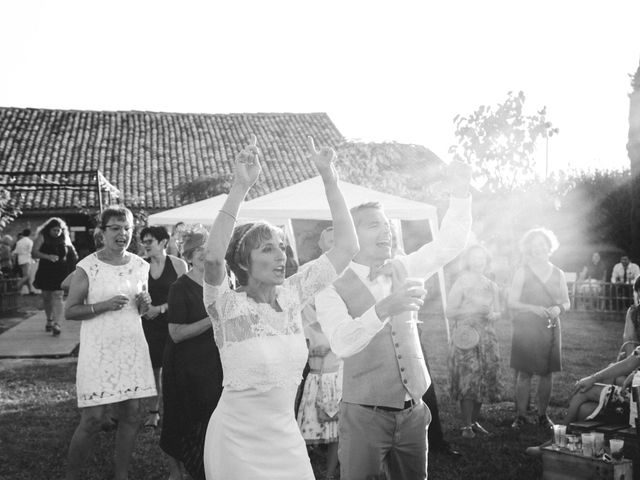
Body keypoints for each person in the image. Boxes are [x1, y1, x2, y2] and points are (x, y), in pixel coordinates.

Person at [202, 135, 358, 480]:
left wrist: (328, 178)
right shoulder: (225, 306)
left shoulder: (292, 296)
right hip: (235, 442)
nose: (280, 256)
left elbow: (347, 246)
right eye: (268, 249)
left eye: (281, 247)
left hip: (286, 439)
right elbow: (213, 257)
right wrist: (240, 186)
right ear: (244, 262)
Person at [315, 160, 472, 480]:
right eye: (374, 224)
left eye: (386, 224)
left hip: (414, 413)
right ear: (351, 234)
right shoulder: (329, 285)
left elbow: (449, 243)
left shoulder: (406, 266)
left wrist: (460, 192)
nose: (385, 230)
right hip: (363, 416)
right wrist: (384, 308)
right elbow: (343, 342)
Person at [63, 206, 156, 480]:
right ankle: (71, 476)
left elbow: (141, 311)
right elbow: (70, 311)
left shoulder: (140, 266)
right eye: (115, 228)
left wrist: (144, 305)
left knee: (132, 414)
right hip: (99, 351)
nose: (122, 233)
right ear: (101, 233)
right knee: (93, 420)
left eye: (127, 228)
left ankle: (121, 475)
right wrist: (102, 306)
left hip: (131, 348)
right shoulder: (88, 267)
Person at [160, 227, 223, 480]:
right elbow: (175, 333)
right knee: (182, 416)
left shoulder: (220, 282)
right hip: (184, 365)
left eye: (207, 248)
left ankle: (207, 467)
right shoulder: (180, 287)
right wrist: (212, 319)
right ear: (188, 255)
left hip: (213, 362)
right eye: (197, 250)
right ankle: (176, 472)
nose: (203, 253)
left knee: (211, 416)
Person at [526, 344, 640, 457]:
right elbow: (631, 362)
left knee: (584, 391)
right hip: (632, 398)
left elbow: (629, 363)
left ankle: (556, 442)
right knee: (584, 410)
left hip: (636, 403)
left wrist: (593, 378)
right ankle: (576, 452)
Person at [509, 227, 570, 430]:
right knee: (524, 373)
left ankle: (543, 416)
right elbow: (512, 302)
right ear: (529, 248)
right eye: (534, 246)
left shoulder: (558, 273)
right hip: (526, 327)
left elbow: (567, 302)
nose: (538, 249)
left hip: (550, 326)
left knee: (547, 373)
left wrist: (558, 308)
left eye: (542, 245)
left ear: (548, 247)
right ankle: (520, 416)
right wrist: (532, 308)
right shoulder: (522, 271)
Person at [297, 226, 341, 480]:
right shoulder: (307, 271)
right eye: (331, 241)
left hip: (344, 352)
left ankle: (332, 469)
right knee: (312, 409)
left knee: (339, 418)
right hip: (315, 349)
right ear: (321, 244)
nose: (336, 245)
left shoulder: (350, 272)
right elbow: (299, 310)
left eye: (340, 241)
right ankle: (305, 462)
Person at [447, 244, 502, 438]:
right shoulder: (461, 282)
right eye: (474, 258)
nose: (478, 261)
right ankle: (466, 425)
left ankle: (475, 421)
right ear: (468, 261)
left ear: (487, 261)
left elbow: (498, 311)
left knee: (484, 380)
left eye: (482, 258)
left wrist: (493, 315)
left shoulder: (492, 285)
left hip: (487, 337)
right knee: (469, 380)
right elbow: (449, 311)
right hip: (467, 337)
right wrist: (471, 311)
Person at [139, 225, 188, 428]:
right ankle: (154, 411)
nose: (145, 245)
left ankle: (177, 411)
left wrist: (158, 309)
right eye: (144, 241)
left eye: (149, 241)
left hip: (172, 322)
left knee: (174, 369)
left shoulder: (179, 265)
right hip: (148, 324)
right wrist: (145, 308)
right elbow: (137, 297)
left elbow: (182, 298)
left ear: (163, 242)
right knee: (153, 369)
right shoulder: (140, 266)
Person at [32, 218, 78, 336]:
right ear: (49, 229)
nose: (57, 232)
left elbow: (71, 251)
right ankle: (49, 320)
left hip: (61, 270)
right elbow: (34, 252)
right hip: (45, 269)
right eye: (55, 230)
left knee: (58, 295)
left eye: (59, 230)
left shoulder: (64, 237)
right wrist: (48, 256)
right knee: (47, 296)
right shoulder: (42, 236)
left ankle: (57, 324)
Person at [14, 228, 36, 294]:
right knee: (26, 276)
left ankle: (30, 291)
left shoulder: (19, 242)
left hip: (20, 260)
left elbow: (16, 251)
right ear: (29, 234)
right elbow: (31, 251)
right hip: (27, 259)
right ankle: (16, 286)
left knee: (26, 276)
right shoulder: (29, 241)